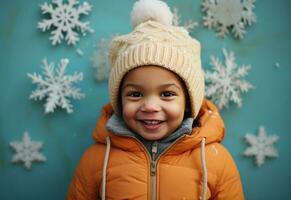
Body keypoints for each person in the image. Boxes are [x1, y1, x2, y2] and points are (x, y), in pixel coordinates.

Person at [66, 0, 244, 199]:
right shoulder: (96, 160)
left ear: (188, 103)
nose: (150, 106)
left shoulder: (215, 161)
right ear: (119, 100)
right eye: (135, 94)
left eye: (167, 94)